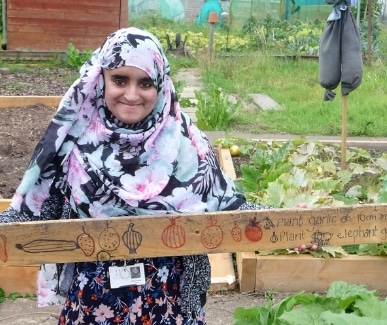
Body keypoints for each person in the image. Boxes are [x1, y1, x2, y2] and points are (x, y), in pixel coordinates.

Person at [0, 27, 270, 325]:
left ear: (161, 85)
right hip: (95, 298)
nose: (131, 94)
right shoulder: (74, 143)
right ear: (100, 79)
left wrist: (285, 228)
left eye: (145, 83)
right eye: (119, 80)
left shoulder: (187, 143)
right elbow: (39, 209)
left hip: (171, 299)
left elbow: (229, 204)